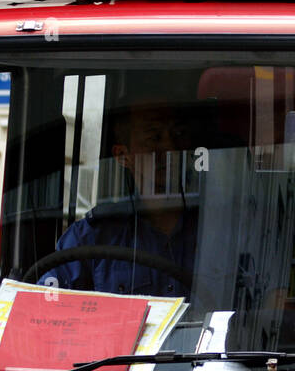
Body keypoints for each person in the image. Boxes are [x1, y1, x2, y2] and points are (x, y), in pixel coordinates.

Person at [39, 103, 197, 297]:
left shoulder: (220, 229)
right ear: (123, 156)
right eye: (154, 138)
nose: (170, 147)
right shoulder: (92, 238)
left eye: (179, 134)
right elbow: (45, 303)